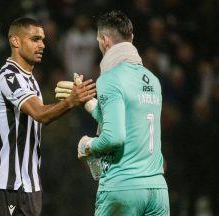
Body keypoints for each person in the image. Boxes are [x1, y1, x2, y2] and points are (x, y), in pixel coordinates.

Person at [58, 11, 170, 215]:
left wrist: (88, 146)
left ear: (104, 40)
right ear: (132, 38)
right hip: (157, 190)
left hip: (123, 187)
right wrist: (90, 103)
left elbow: (114, 137)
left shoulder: (110, 80)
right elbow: (128, 122)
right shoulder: (153, 80)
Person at [0, 17, 96, 216]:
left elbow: (34, 124)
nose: (42, 45)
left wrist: (71, 103)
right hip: (10, 185)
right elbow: (40, 114)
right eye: (35, 39)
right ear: (15, 41)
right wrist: (70, 102)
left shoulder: (31, 81)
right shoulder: (10, 77)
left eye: (43, 39)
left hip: (30, 185)